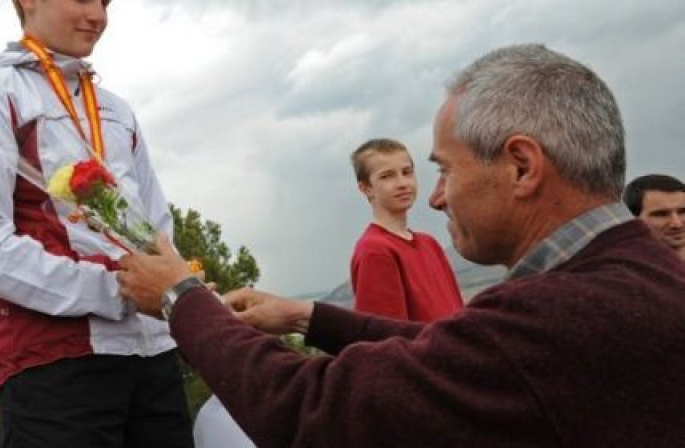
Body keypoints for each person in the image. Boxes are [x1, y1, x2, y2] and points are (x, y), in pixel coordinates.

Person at [117, 44, 685, 447]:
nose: (435, 197)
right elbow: (453, 348)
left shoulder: (564, 313)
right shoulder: (639, 275)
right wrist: (305, 316)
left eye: (444, 170)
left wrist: (180, 297)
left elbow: (315, 410)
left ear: (521, 166)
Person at [0, 0, 193, 445]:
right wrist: (116, 290)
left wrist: (175, 292)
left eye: (107, 2)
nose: (99, 15)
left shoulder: (118, 110)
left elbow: (157, 227)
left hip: (154, 352)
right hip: (56, 365)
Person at [349, 138, 463, 320]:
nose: (402, 183)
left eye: (407, 172)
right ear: (366, 188)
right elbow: (386, 338)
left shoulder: (430, 244)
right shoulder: (375, 250)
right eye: (387, 176)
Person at [622, 174, 685, 259]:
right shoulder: (620, 268)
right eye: (661, 214)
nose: (677, 224)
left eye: (682, 212)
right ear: (633, 220)